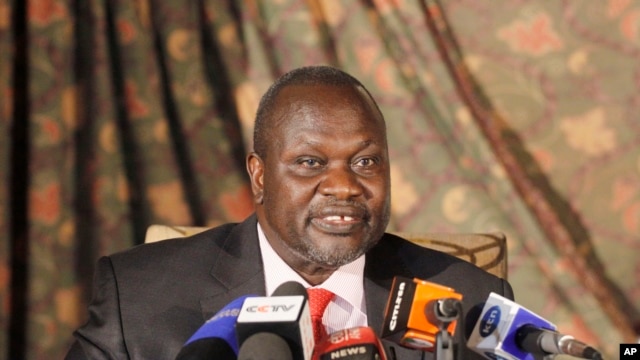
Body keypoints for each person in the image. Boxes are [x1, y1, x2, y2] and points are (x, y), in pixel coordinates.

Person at [66, 65, 513, 359]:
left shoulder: (468, 298)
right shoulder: (139, 296)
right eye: (310, 163)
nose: (344, 186)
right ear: (260, 177)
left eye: (366, 162)